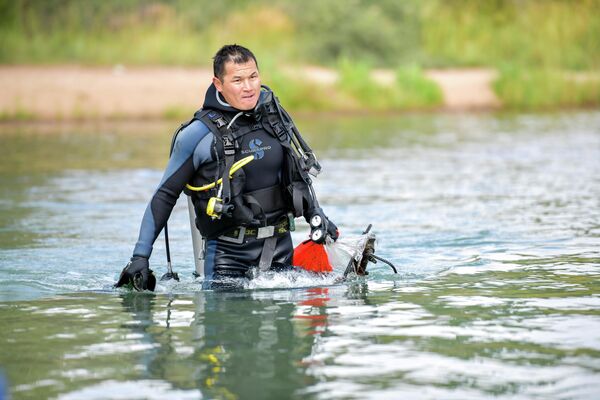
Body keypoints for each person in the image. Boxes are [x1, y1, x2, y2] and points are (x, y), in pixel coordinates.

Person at [116, 44, 338, 291]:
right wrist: (140, 257)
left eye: (253, 77)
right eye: (238, 80)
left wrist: (317, 215)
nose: (248, 87)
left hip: (280, 251)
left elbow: (295, 177)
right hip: (228, 259)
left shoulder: (275, 120)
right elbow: (165, 196)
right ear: (218, 84)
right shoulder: (197, 135)